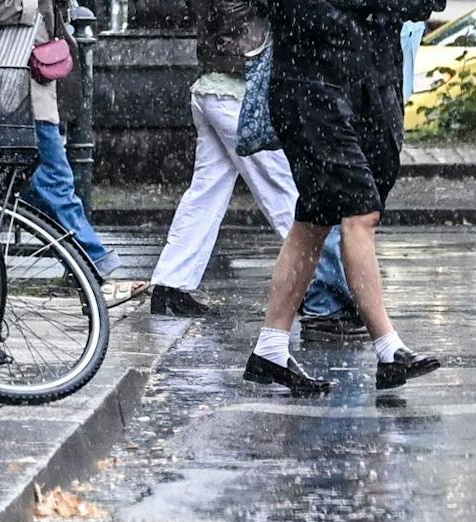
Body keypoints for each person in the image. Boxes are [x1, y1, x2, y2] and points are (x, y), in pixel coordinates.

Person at [245, 0, 440, 395]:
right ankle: (389, 349)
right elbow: (300, 11)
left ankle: (270, 347)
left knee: (314, 220)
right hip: (312, 86)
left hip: (369, 83)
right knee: (359, 211)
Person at [0, 0, 144, 305]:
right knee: (50, 181)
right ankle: (95, 274)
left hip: (19, 88)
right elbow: (1, 8)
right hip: (15, 91)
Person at [148, 0, 302, 316]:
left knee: (206, 195)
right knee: (282, 189)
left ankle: (169, 285)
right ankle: (317, 287)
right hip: (234, 93)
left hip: (215, 88)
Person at [297, 18, 428, 343]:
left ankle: (321, 305)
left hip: (371, 67)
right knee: (346, 200)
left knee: (332, 206)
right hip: (347, 73)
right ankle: (330, 304)